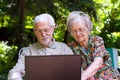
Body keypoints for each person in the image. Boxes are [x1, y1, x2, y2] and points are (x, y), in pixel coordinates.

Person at [8, 13, 73, 80]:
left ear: (53, 29)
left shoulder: (64, 49)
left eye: (46, 30)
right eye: (39, 31)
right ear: (35, 32)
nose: (43, 34)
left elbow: (74, 70)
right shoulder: (28, 51)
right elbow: (15, 71)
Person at [67, 11, 120, 80]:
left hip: (107, 77)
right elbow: (73, 68)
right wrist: (87, 74)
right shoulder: (71, 47)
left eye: (81, 29)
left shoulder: (96, 40)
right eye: (74, 31)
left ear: (88, 29)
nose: (78, 33)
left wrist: (82, 77)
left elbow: (98, 62)